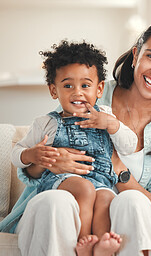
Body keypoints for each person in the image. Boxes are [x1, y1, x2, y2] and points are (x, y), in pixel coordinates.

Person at [1, 21, 151, 256]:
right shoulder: (88, 90)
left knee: (133, 199)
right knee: (56, 202)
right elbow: (33, 164)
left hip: (114, 209)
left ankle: (100, 245)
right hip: (60, 201)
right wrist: (49, 161)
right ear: (136, 55)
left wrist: (116, 166)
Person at [10, 40, 138, 255]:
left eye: (85, 86)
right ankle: (84, 242)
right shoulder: (47, 123)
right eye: (68, 86)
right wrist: (32, 154)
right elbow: (16, 154)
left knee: (106, 199)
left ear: (99, 89)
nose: (77, 92)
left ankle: (100, 244)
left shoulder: (105, 114)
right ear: (53, 90)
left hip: (100, 180)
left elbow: (129, 146)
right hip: (61, 182)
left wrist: (112, 125)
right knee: (84, 189)